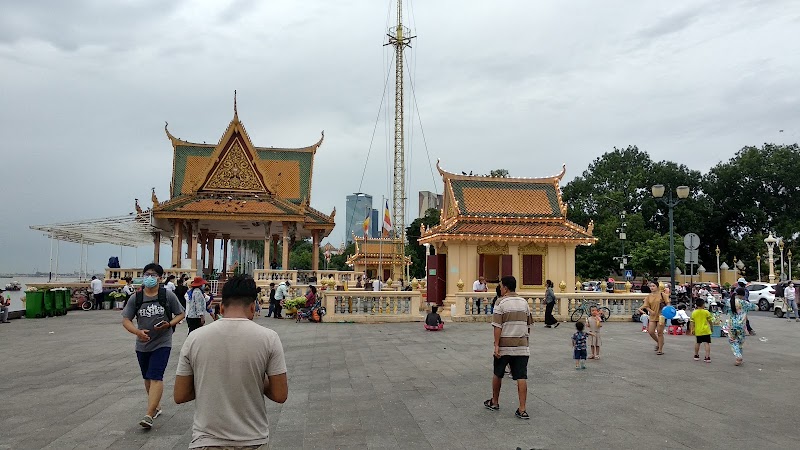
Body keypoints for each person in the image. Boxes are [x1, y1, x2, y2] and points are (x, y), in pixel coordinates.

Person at [175, 274, 288, 448]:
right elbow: (280, 394)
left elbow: (180, 395)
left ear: (220, 307)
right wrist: (255, 379)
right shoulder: (269, 338)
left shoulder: (195, 338)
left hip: (206, 440)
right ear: (252, 307)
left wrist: (212, 381)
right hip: (252, 440)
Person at [121, 263, 185, 429]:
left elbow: (181, 313)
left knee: (156, 375)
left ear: (160, 278)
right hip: (142, 343)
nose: (149, 277)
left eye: (153, 275)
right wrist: (137, 332)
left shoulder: (167, 295)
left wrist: (169, 325)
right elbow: (126, 319)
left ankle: (149, 414)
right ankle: (156, 406)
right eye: (147, 274)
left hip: (163, 341)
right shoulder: (137, 297)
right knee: (147, 377)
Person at [485, 276, 532, 420]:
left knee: (498, 373)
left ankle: (495, 402)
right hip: (521, 346)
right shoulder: (524, 303)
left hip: (505, 345)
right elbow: (529, 325)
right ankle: (522, 408)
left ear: (505, 288)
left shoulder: (500, 302)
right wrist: (525, 341)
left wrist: (496, 345)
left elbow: (497, 326)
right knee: (521, 376)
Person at [636, 281, 670, 355]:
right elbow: (646, 306)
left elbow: (668, 303)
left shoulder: (662, 294)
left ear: (657, 287)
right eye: (650, 286)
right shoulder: (649, 296)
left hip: (661, 316)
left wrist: (666, 310)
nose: (651, 287)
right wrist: (651, 311)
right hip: (652, 315)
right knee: (651, 331)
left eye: (653, 286)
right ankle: (659, 342)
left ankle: (660, 349)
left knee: (660, 332)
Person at [728, 287, 755, 366]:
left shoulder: (730, 301)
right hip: (742, 326)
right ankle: (739, 359)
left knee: (733, 341)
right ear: (743, 295)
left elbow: (724, 309)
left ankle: (738, 356)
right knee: (740, 342)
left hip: (732, 325)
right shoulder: (744, 303)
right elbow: (755, 307)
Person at [690, 297, 713, 363]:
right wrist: (711, 327)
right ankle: (707, 357)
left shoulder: (694, 313)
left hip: (698, 330)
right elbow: (710, 321)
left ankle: (696, 355)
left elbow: (692, 322)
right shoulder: (706, 312)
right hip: (706, 330)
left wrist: (692, 329)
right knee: (706, 343)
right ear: (703, 304)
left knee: (698, 343)